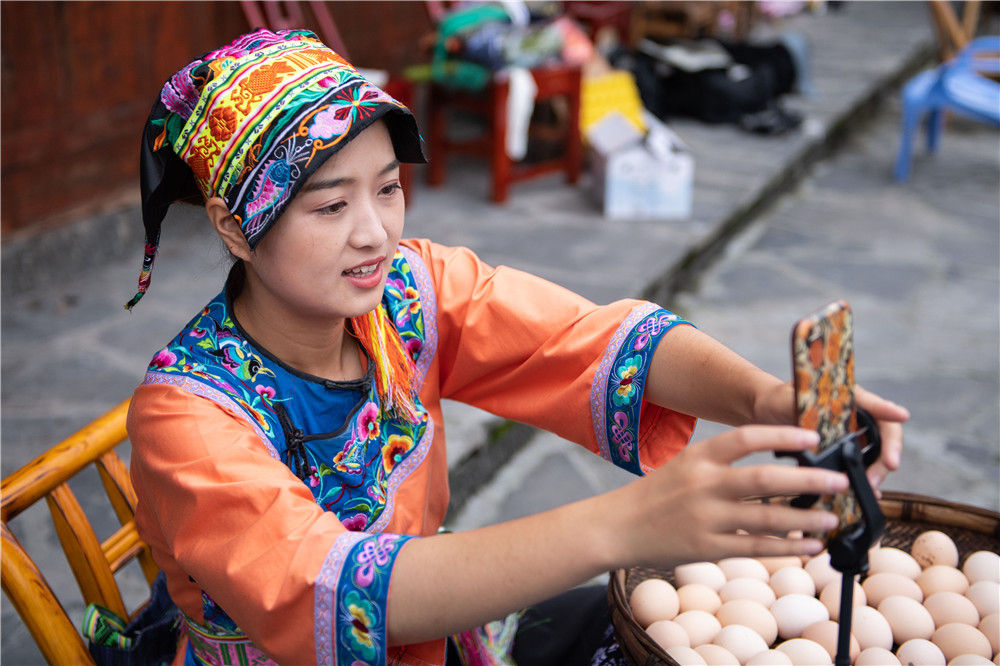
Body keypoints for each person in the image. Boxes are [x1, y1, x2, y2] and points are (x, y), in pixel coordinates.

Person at [125, 29, 907, 666]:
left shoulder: (407, 294)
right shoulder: (186, 421)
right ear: (235, 226)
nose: (375, 234)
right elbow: (336, 594)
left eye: (389, 187)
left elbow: (591, 341)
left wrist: (768, 399)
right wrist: (628, 525)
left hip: (437, 632)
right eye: (331, 205)